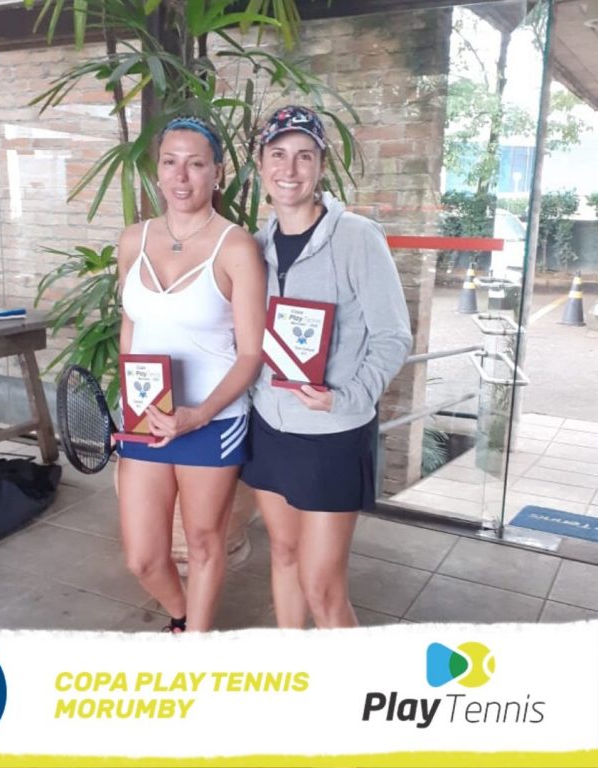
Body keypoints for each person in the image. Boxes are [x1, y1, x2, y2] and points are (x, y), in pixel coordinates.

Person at [241, 105, 412, 629]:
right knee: (283, 555)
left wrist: (346, 397)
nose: (289, 169)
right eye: (278, 155)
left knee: (322, 587)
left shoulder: (357, 237)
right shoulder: (255, 247)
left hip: (332, 433)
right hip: (270, 427)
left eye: (304, 156)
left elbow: (393, 336)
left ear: (320, 165)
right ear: (260, 164)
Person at [116, 116, 266, 633]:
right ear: (157, 170)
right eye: (170, 162)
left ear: (217, 172)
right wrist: (131, 404)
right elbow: (131, 325)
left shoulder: (236, 247)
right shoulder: (132, 241)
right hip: (148, 419)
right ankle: (180, 615)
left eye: (196, 164)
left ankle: (194, 644)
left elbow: (251, 354)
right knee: (143, 558)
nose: (181, 176)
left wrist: (198, 415)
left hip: (213, 420)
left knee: (204, 543)